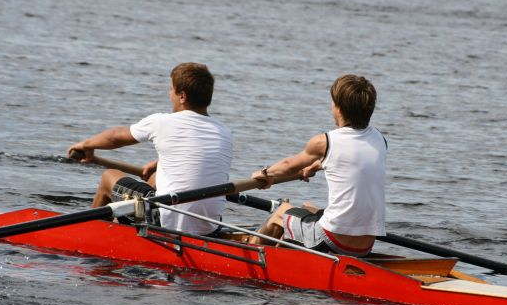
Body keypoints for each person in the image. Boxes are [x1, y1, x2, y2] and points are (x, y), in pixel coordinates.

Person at [68, 62, 232, 235]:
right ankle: (121, 226)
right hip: (210, 226)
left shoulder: (161, 122)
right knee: (153, 178)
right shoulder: (224, 132)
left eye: (171, 89)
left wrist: (86, 145)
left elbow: (115, 137)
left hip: (166, 221)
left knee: (108, 177)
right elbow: (197, 157)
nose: (169, 93)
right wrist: (160, 163)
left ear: (182, 96)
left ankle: (87, 235)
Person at [250, 74, 386, 257]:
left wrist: (265, 173)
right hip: (365, 245)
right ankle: (282, 253)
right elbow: (353, 161)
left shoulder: (325, 142)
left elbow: (289, 165)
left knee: (281, 211)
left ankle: (248, 254)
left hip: (332, 240)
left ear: (339, 109)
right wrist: (316, 165)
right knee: (307, 208)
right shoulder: (379, 139)